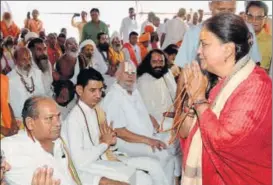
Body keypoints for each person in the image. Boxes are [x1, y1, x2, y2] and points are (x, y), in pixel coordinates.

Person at [174, 13, 272, 185]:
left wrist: (199, 99)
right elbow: (184, 133)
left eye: (204, 44)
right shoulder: (215, 81)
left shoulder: (256, 86)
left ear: (228, 49)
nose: (198, 51)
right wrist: (191, 100)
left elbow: (223, 142)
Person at [62, 67, 169, 185]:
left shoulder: (96, 111)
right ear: (79, 90)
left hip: (105, 157)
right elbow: (80, 162)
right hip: (90, 167)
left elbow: (104, 141)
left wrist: (110, 141)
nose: (98, 95)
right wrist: (105, 144)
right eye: (93, 90)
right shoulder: (73, 120)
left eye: (100, 90)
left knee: (153, 165)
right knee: (142, 179)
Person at [101, 61, 179, 185]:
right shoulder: (113, 96)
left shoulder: (133, 90)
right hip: (127, 144)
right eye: (127, 72)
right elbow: (119, 132)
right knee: (164, 155)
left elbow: (134, 110)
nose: (131, 76)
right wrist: (149, 141)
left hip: (146, 136)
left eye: (133, 73)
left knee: (175, 141)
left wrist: (149, 117)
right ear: (118, 75)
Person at [1, 96, 83, 185]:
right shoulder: (10, 146)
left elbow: (72, 178)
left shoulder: (58, 142)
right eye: (49, 118)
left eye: (58, 116)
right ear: (30, 123)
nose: (58, 123)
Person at [174, 0, 262, 68]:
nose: (226, 14)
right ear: (210, 6)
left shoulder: (247, 29)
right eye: (221, 9)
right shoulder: (194, 33)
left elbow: (255, 62)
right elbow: (182, 67)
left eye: (231, 10)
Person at [7, 47, 46, 120]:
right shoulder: (9, 79)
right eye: (24, 59)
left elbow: (43, 95)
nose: (28, 62)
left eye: (29, 58)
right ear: (15, 60)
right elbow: (6, 104)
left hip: (39, 117)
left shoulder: (38, 73)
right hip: (19, 120)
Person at [245, 1, 272, 74]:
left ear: (265, 19)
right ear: (246, 17)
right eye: (250, 16)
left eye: (259, 17)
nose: (254, 20)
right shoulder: (238, 35)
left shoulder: (269, 42)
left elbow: (263, 72)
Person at [0, 74, 19, 139]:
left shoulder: (3, 79)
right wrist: (1, 129)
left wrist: (13, 122)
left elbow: (7, 102)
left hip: (7, 124)